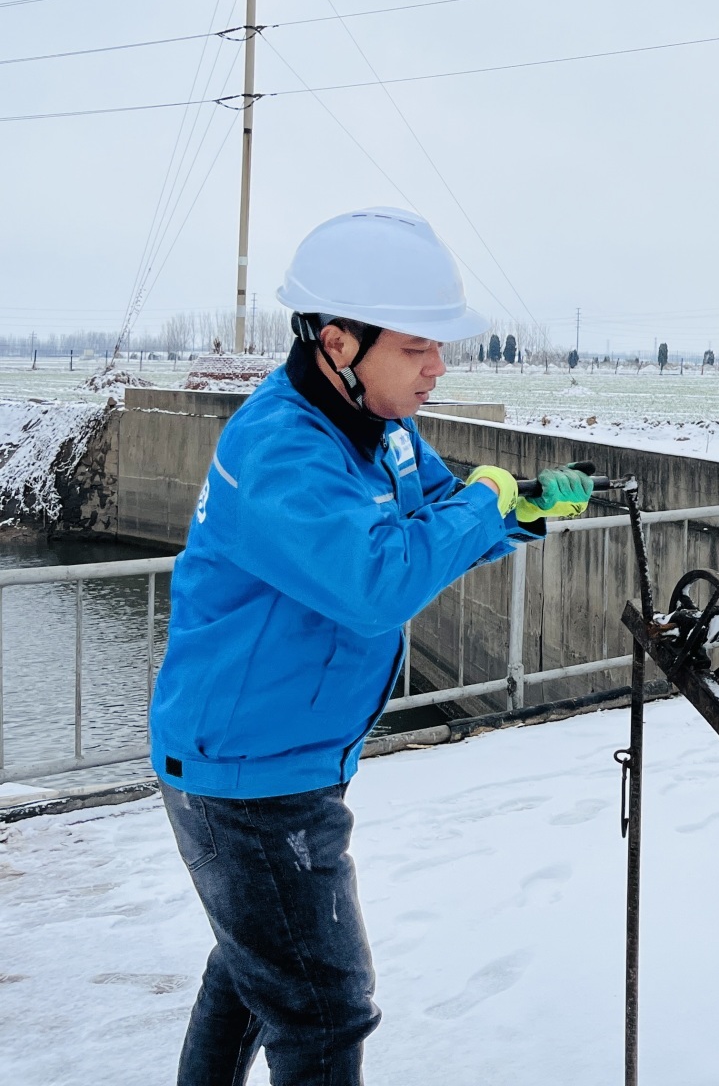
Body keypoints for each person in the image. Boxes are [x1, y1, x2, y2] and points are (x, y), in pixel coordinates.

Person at [148, 207, 594, 1085]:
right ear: (340, 344)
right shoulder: (282, 447)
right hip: (247, 777)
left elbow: (440, 511)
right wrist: (483, 506)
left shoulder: (381, 428)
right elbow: (374, 584)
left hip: (277, 753)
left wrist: (520, 506)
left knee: (254, 971)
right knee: (323, 1010)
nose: (440, 367)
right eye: (419, 346)